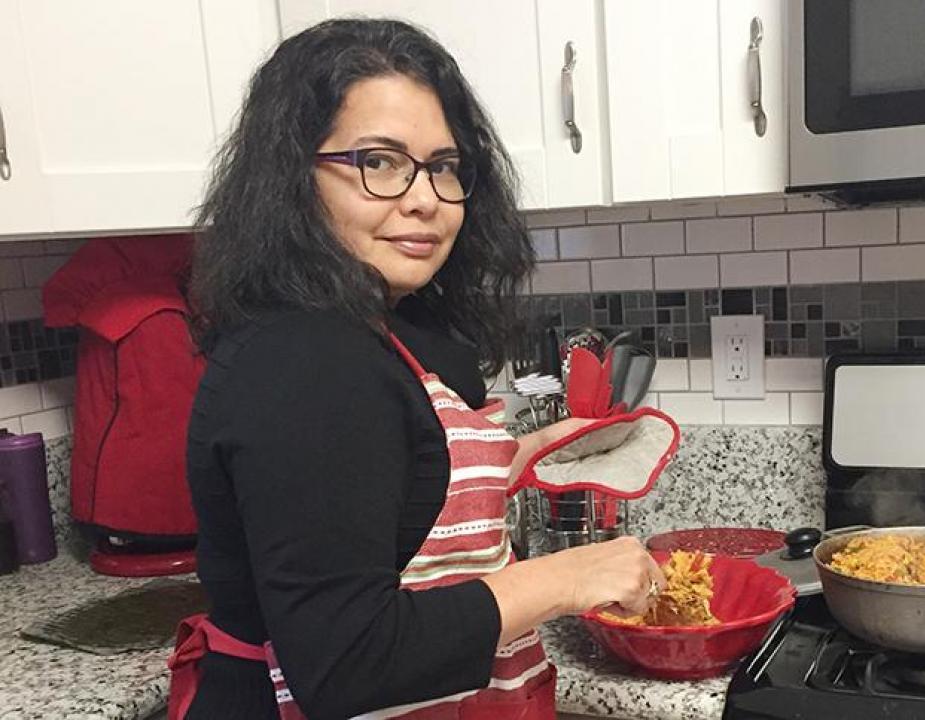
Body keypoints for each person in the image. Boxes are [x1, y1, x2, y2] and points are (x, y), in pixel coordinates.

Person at [168, 18, 665, 720]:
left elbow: (374, 486)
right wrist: (570, 576)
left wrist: (503, 460)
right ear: (293, 176)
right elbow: (347, 663)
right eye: (379, 161)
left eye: (444, 165)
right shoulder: (301, 359)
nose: (426, 197)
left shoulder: (370, 330)